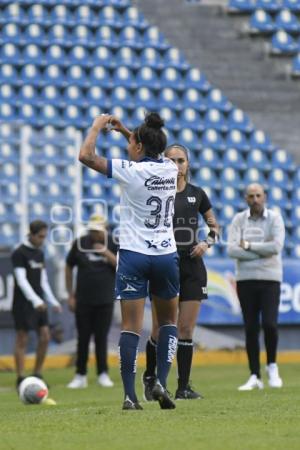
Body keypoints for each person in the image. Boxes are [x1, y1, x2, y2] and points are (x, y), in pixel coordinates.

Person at [79, 112, 179, 410]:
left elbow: (86, 156)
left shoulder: (128, 170)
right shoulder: (171, 170)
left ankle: (129, 396)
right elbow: (147, 152)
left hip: (134, 256)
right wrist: (126, 130)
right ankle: (160, 379)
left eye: (130, 142)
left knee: (131, 328)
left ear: (137, 147)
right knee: (167, 323)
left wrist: (97, 126)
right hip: (165, 254)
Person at [142, 144, 219, 401]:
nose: (176, 165)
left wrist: (206, 243)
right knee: (160, 328)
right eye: (171, 160)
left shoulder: (197, 194)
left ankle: (183, 387)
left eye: (181, 160)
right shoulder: (156, 193)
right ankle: (150, 377)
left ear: (188, 164)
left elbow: (214, 227)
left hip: (192, 266)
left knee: (186, 329)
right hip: (164, 264)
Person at [227, 183, 285, 391]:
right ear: (245, 198)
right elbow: (232, 250)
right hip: (245, 279)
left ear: (265, 197)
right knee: (251, 327)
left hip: (270, 279)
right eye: (251, 196)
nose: (255, 199)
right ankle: (254, 375)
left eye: (258, 195)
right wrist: (262, 251)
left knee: (270, 324)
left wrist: (250, 246)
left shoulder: (275, 218)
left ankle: (272, 366)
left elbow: (276, 247)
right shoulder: (238, 220)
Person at [66, 213, 117, 389]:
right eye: (93, 231)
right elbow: (68, 265)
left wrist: (105, 252)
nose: (95, 234)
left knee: (101, 338)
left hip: (105, 299)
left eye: (98, 231)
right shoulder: (80, 243)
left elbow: (122, 266)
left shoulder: (114, 242)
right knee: (83, 338)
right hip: (83, 299)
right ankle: (80, 374)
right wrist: (70, 294)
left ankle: (103, 373)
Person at [11, 220, 62, 388]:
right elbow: (21, 280)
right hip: (23, 303)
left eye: (45, 236)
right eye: (40, 236)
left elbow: (43, 280)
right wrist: (35, 300)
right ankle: (20, 377)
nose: (42, 240)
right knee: (22, 338)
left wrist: (52, 300)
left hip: (39, 301)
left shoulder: (40, 253)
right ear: (31, 234)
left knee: (45, 336)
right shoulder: (19, 253)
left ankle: (37, 373)